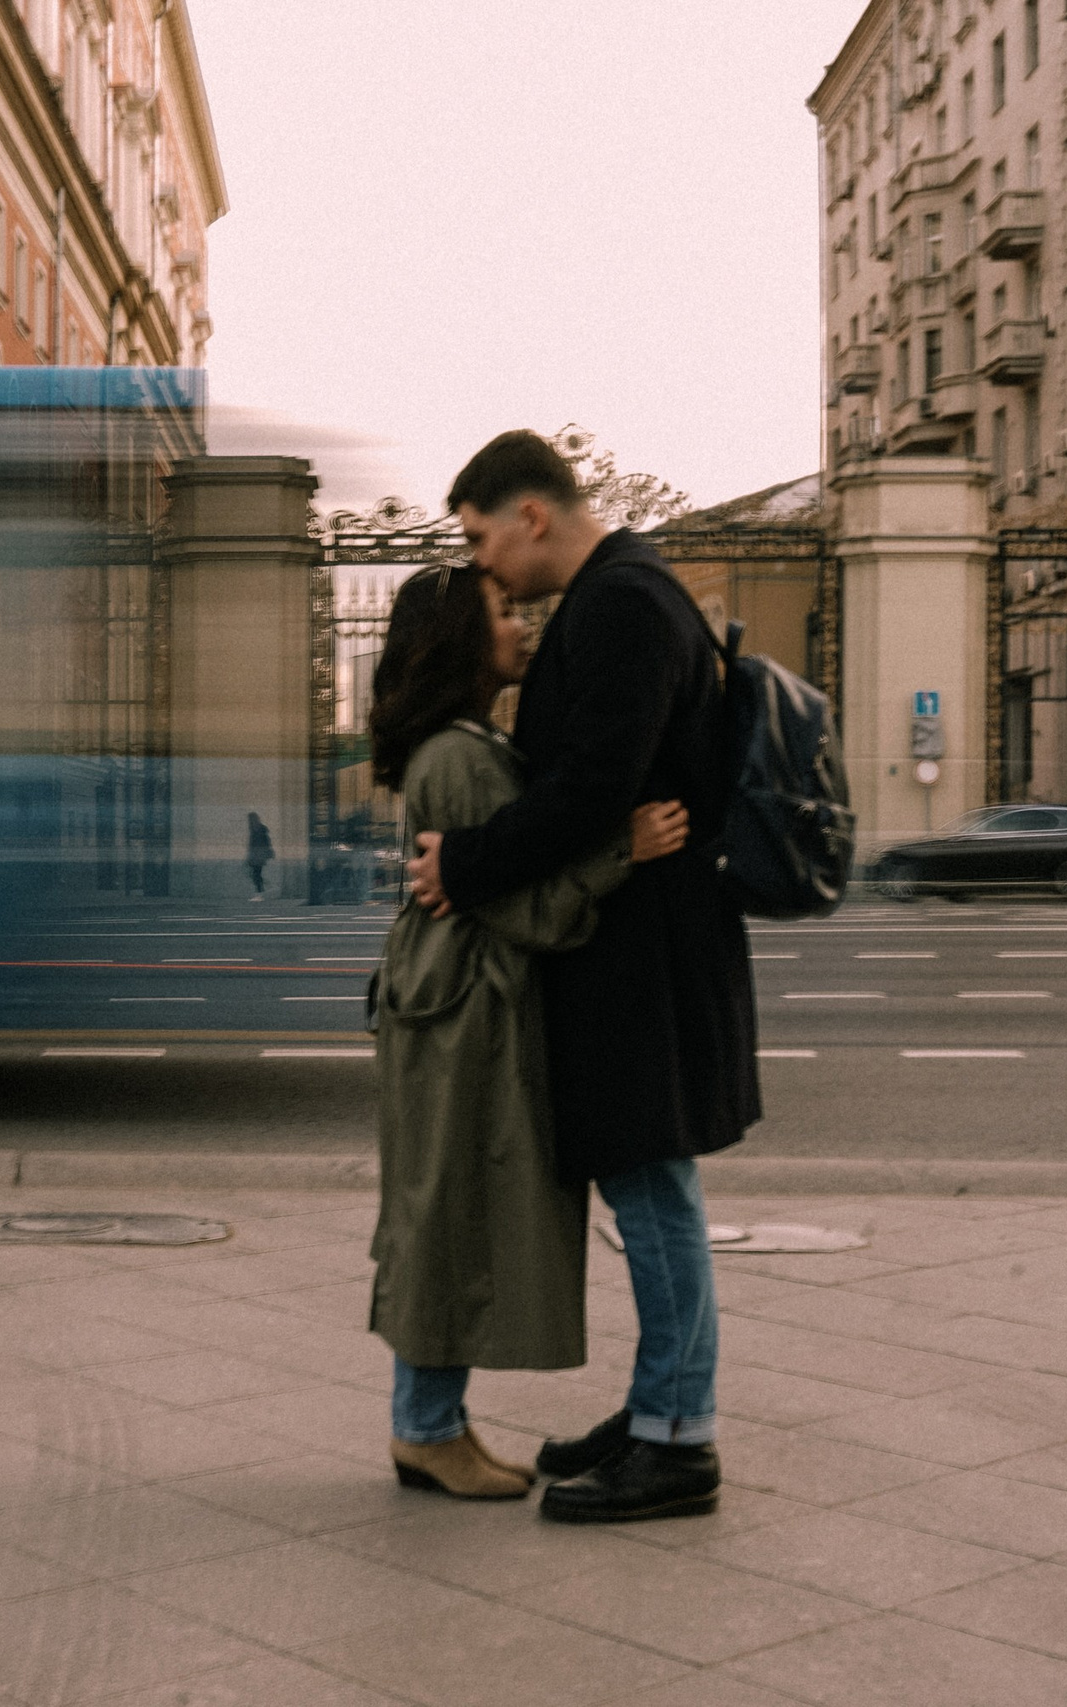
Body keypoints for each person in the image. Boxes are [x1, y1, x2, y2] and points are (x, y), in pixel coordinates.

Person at [407, 430, 759, 1524]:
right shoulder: (624, 594)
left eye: (481, 539)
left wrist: (464, 863)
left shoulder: (620, 605)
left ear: (532, 515)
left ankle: (678, 1439)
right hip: (642, 949)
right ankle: (660, 1405)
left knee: (654, 1196)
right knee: (648, 1191)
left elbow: (589, 789)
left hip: (644, 960)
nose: (482, 566)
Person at [367, 558, 690, 1499]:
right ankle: (426, 1428)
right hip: (463, 1010)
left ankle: (431, 1423)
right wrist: (621, 850)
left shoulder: (461, 743)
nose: (522, 624)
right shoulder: (461, 757)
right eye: (503, 611)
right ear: (462, 640)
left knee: (444, 1207)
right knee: (447, 1213)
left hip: (454, 1005)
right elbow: (526, 908)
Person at [245, 812, 274, 896]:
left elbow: (266, 841)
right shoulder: (256, 829)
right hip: (256, 854)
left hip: (259, 854)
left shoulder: (259, 829)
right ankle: (261, 889)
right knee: (256, 873)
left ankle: (260, 890)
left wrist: (268, 851)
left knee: (256, 873)